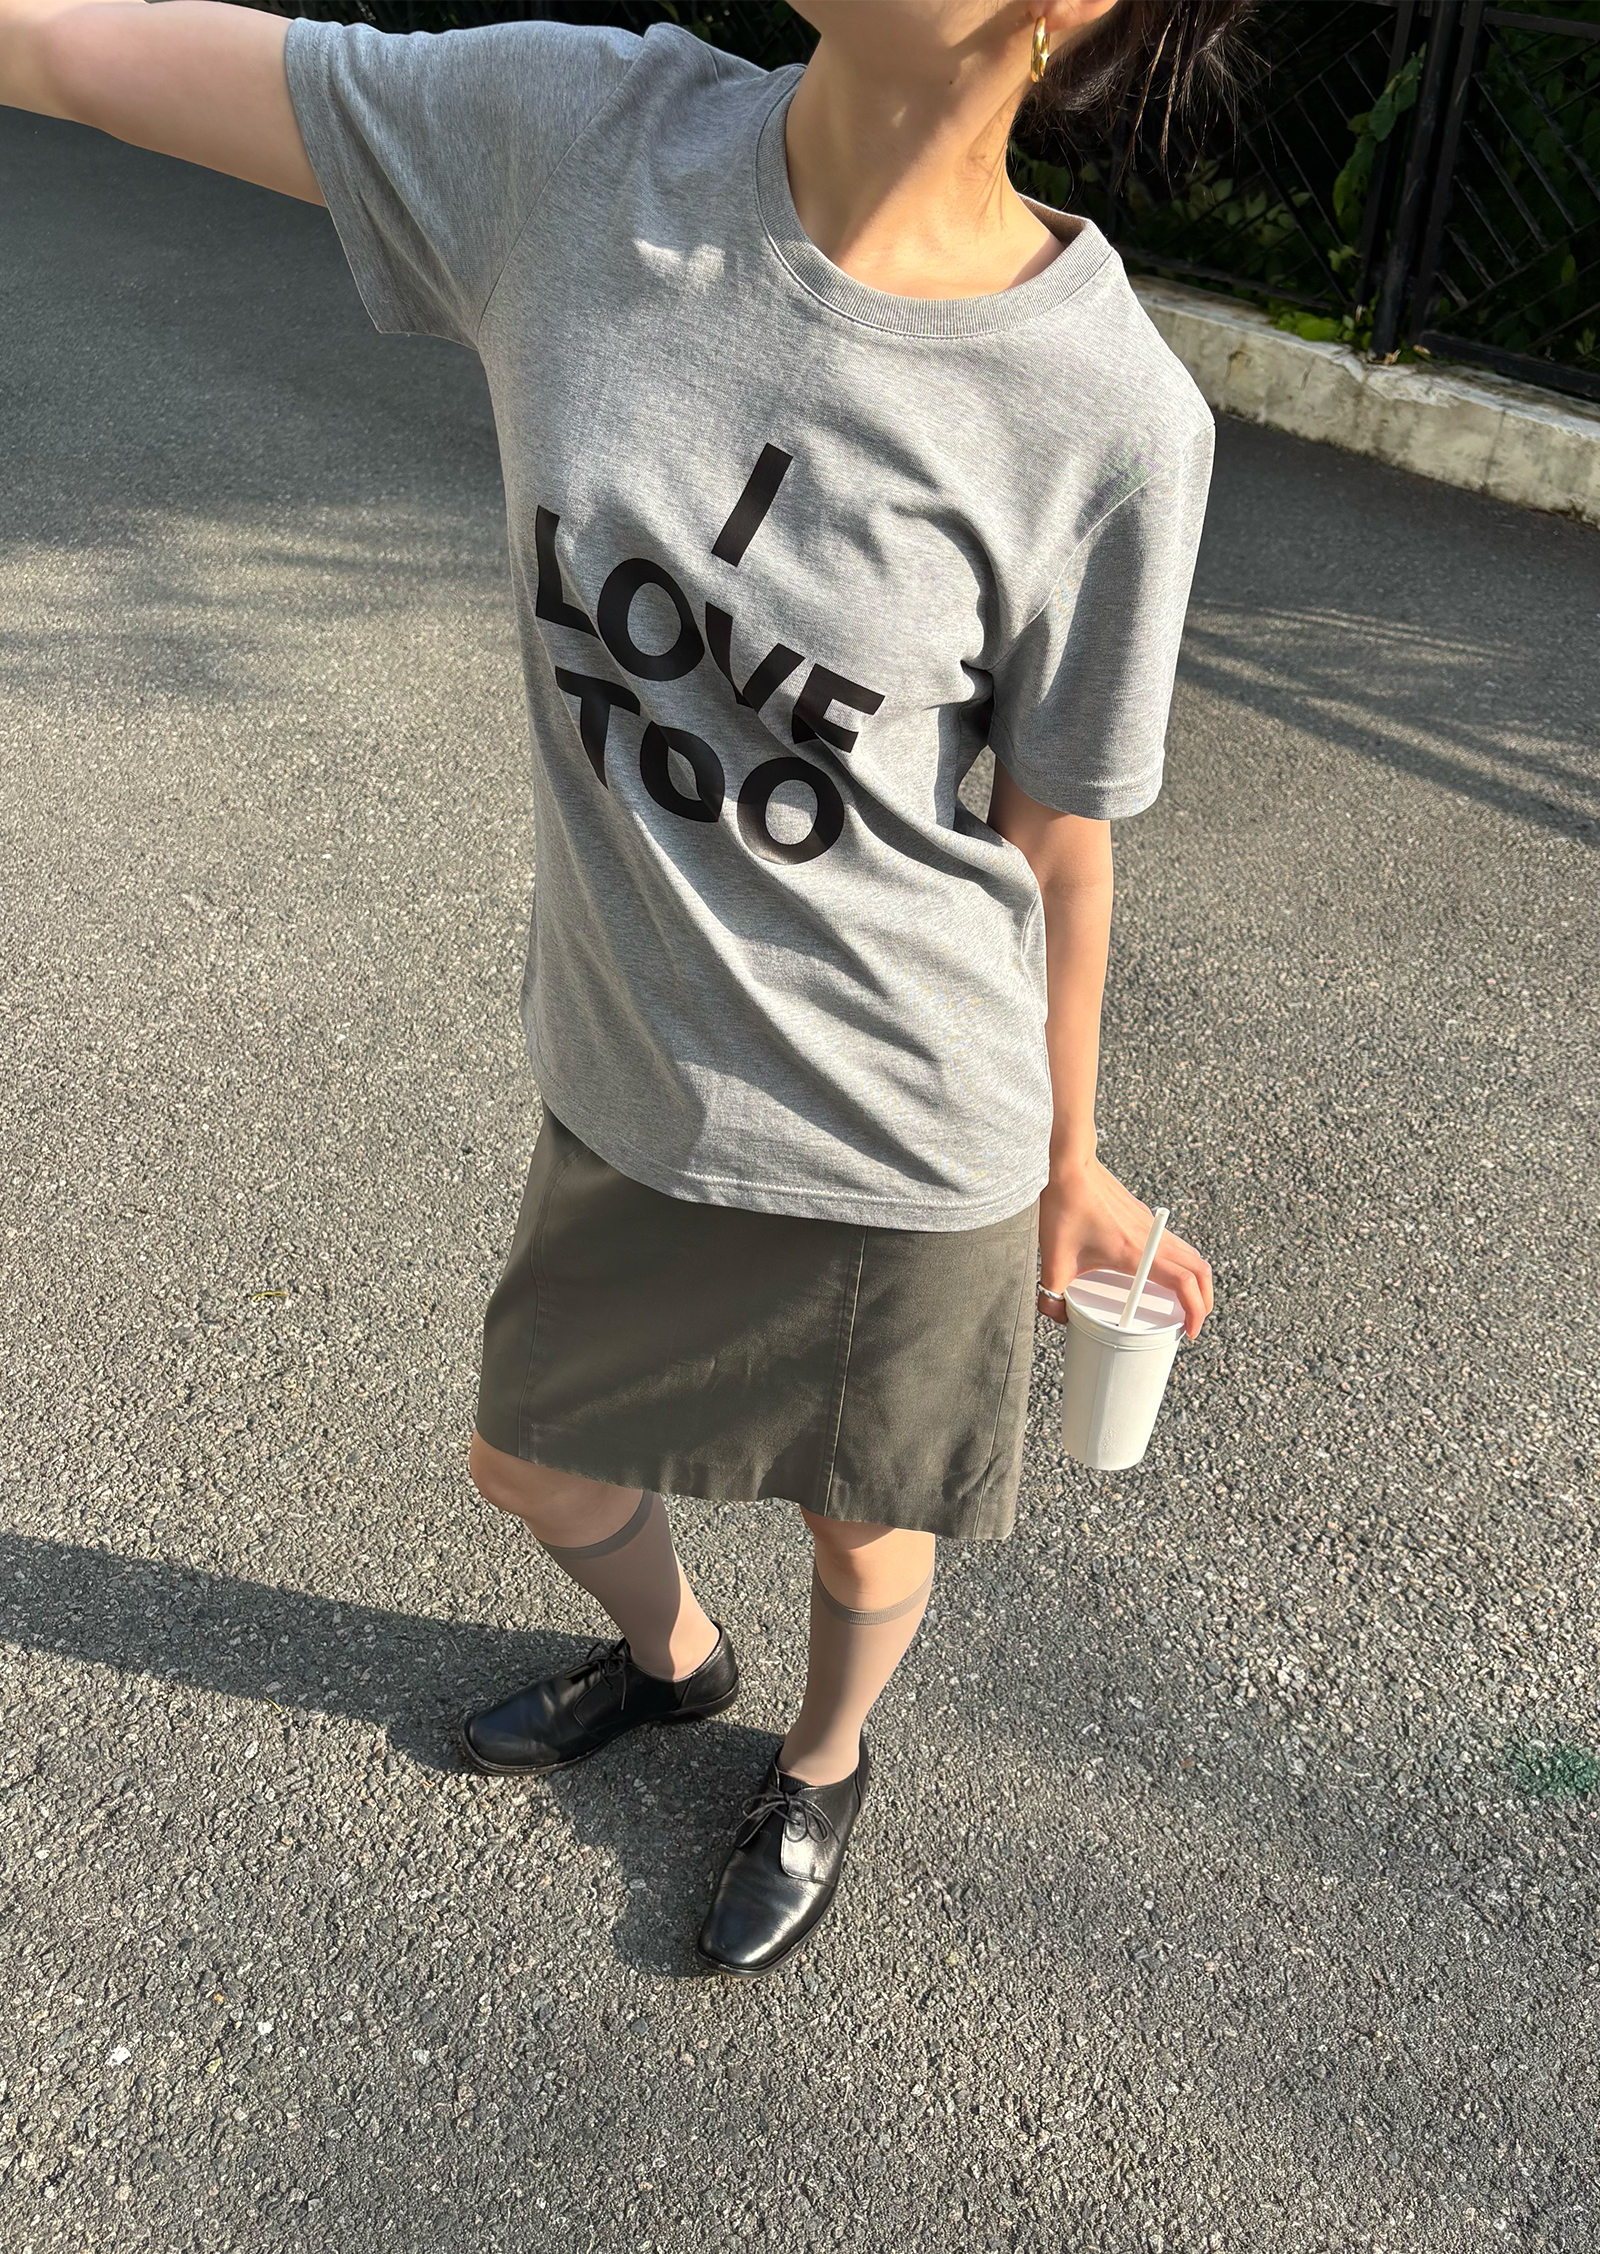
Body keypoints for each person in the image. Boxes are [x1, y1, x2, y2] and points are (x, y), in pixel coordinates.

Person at [3, 0, 1239, 1976]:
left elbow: (1057, 838)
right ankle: (674, 1661)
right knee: (532, 1462)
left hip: (908, 1119)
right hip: (633, 1066)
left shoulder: (1104, 414)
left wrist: (1073, 1159)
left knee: (861, 1520)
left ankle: (821, 1759)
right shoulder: (576, 148)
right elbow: (87, 58)